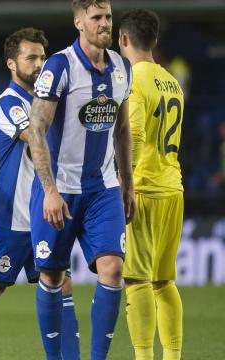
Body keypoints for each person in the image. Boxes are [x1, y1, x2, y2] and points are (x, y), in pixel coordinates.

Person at [0, 28, 80, 360]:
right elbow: (35, 136)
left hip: (45, 213)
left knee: (61, 285)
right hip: (11, 215)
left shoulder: (52, 102)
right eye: (31, 58)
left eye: (43, 57)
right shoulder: (9, 103)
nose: (40, 64)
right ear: (12, 64)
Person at [26, 1, 136, 359]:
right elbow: (37, 129)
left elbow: (122, 128)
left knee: (113, 268)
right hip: (60, 190)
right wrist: (49, 191)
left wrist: (127, 184)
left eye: (108, 17)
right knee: (53, 277)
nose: (105, 24)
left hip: (103, 188)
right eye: (97, 18)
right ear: (79, 22)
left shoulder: (122, 68)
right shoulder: (60, 66)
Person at [118, 9, 185, 360]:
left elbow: (137, 133)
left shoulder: (134, 78)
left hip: (143, 188)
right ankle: (172, 357)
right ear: (155, 41)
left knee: (137, 280)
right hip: (173, 188)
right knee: (164, 281)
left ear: (123, 40)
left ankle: (144, 357)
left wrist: (124, 184)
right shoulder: (171, 80)